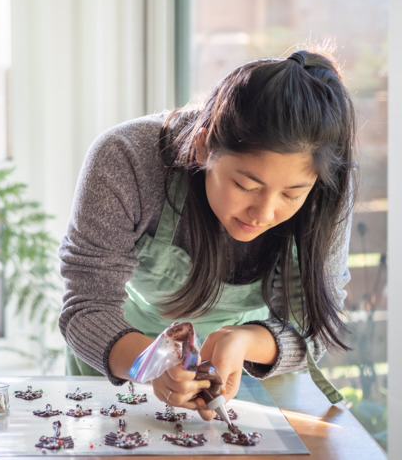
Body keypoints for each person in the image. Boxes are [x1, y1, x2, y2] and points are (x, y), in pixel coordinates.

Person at [58, 49, 356, 420]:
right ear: (202, 146)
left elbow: (312, 325)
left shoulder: (327, 191)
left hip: (249, 366)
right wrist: (150, 364)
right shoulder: (126, 159)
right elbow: (87, 307)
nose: (264, 213)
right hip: (121, 353)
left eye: (291, 195)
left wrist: (246, 340)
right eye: (246, 185)